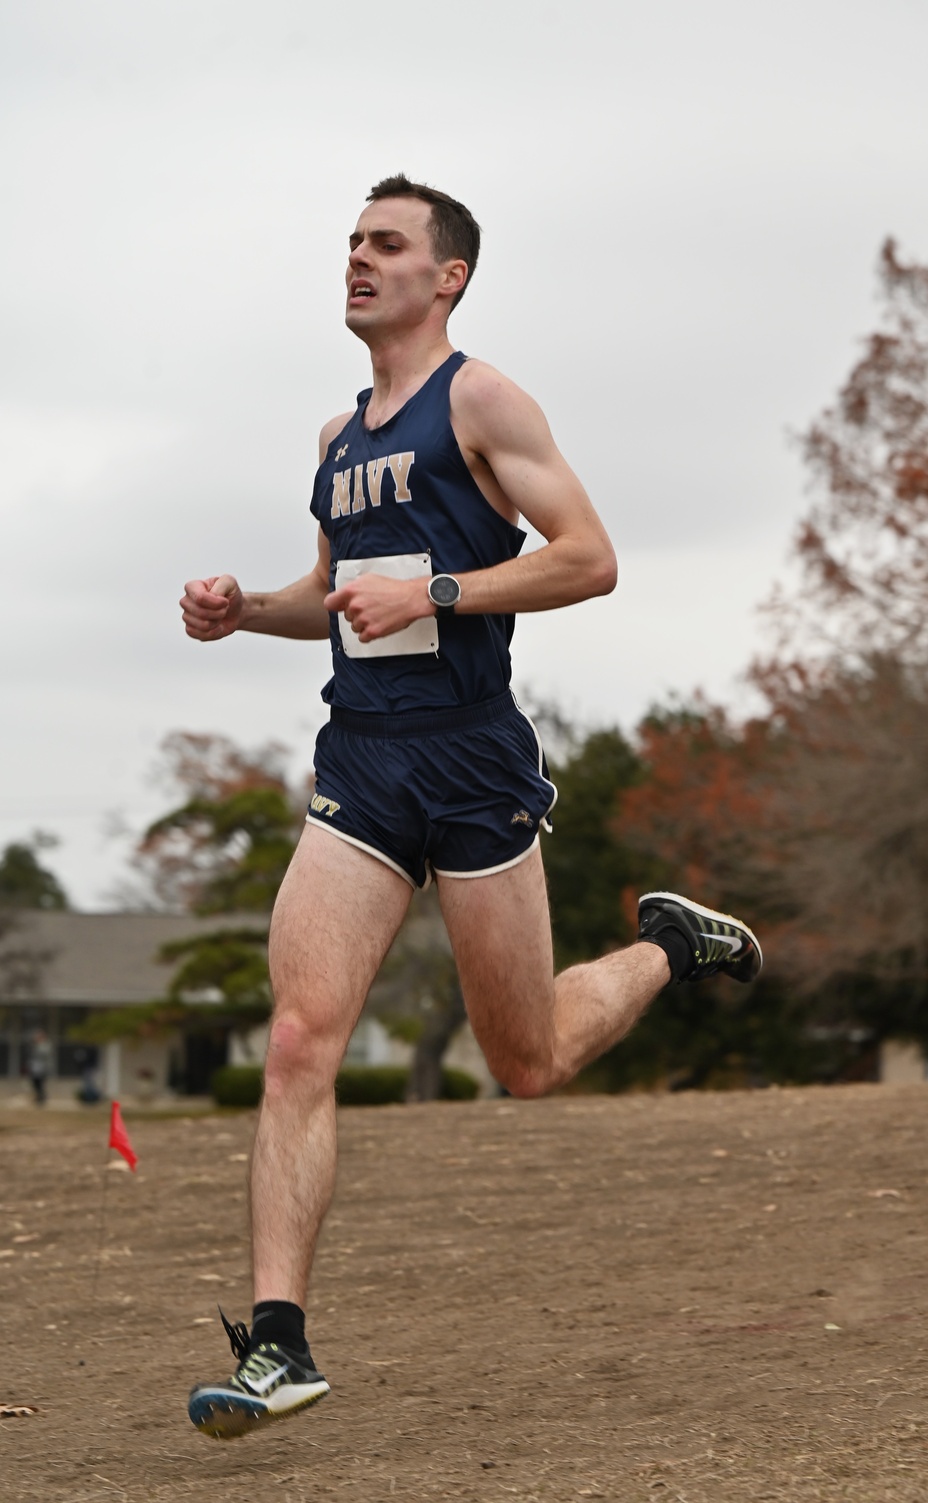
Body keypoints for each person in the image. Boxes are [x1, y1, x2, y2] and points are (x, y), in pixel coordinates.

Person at [181, 175, 762, 1440]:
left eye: (386, 244)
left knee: (530, 1062)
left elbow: (588, 558)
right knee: (298, 1039)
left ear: (447, 276)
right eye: (350, 241)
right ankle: (278, 1343)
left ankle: (671, 943)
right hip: (365, 765)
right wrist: (248, 613)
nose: (358, 259)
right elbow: (334, 595)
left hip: (475, 760)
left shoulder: (481, 400)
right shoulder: (336, 443)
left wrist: (441, 593)